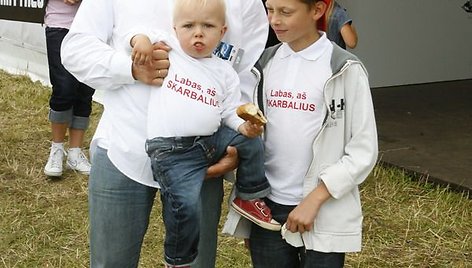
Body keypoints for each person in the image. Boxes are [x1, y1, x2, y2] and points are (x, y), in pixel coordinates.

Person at [60, 0, 268, 267]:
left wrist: (236, 147)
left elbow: (243, 76)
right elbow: (76, 49)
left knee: (194, 262)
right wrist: (131, 69)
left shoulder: (246, 3)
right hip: (125, 148)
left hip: (201, 159)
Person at [221, 0, 378, 267]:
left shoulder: (344, 69)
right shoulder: (264, 63)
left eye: (286, 12)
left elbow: (363, 150)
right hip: (266, 209)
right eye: (270, 10)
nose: (274, 20)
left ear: (317, 10)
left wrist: (315, 200)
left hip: (321, 208)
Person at [128, 0, 279, 265]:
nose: (198, 33)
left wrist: (244, 127)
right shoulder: (171, 49)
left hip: (209, 141)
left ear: (222, 32)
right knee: (185, 207)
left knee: (252, 141)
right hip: (170, 150)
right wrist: (140, 41)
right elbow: (137, 31)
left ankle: (249, 196)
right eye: (189, 26)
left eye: (207, 26)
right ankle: (178, 259)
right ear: (175, 29)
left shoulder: (225, 72)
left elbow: (229, 111)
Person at [43, 0, 94, 177]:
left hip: (93, 27)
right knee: (63, 88)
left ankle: (75, 153)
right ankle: (56, 149)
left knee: (85, 90)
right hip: (59, 24)